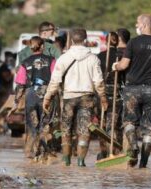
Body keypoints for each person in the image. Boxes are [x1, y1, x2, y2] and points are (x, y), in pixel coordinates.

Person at [42, 28, 107, 167]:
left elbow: (55, 80)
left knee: (66, 129)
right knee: (84, 130)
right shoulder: (93, 58)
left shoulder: (63, 58)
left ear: (71, 40)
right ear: (85, 40)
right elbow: (99, 81)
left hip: (69, 98)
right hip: (87, 98)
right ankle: (81, 162)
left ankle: (66, 161)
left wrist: (47, 98)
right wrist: (103, 98)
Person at [113, 14, 151, 168]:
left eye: (138, 23)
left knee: (130, 121)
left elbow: (124, 65)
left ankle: (133, 145)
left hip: (132, 88)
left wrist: (115, 66)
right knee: (148, 128)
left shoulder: (133, 43)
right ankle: (143, 164)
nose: (136, 25)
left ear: (144, 25)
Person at [14, 37, 55, 158]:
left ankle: (29, 155)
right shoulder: (51, 60)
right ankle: (44, 155)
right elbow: (56, 79)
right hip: (46, 95)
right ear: (42, 47)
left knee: (32, 126)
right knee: (45, 126)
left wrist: (17, 101)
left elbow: (20, 84)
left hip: (31, 95)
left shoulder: (25, 62)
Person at [97, 29, 129, 158]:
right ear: (117, 42)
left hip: (105, 91)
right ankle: (114, 150)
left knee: (105, 123)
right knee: (115, 124)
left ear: (106, 41)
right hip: (117, 91)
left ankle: (110, 151)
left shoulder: (101, 55)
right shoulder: (122, 55)